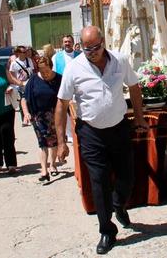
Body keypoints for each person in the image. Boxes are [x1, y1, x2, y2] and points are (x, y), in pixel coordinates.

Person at [54, 26, 149, 255]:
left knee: (127, 176)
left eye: (95, 48)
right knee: (99, 181)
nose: (92, 53)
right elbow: (62, 104)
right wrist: (60, 142)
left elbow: (134, 87)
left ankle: (119, 204)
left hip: (118, 129)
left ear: (103, 42)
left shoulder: (120, 60)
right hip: (91, 133)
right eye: (87, 49)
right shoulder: (74, 68)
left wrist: (138, 117)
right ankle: (107, 230)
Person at [22, 55, 62, 182]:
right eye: (41, 71)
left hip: (54, 115)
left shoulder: (59, 79)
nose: (44, 74)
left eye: (47, 71)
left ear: (51, 67)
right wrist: (26, 113)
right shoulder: (33, 79)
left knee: (53, 142)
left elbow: (65, 98)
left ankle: (53, 165)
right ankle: (44, 171)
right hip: (38, 116)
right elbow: (24, 98)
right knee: (43, 143)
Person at [53, 34, 81, 142]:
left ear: (73, 43)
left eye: (69, 41)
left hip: (78, 87)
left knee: (77, 110)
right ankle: (69, 134)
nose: (67, 43)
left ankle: (78, 131)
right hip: (63, 87)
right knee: (66, 111)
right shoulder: (56, 57)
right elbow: (54, 72)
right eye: (65, 42)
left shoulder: (80, 55)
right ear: (62, 43)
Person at [7, 45, 33, 125]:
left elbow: (32, 71)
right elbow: (11, 75)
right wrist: (19, 83)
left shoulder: (29, 60)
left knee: (29, 101)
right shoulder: (14, 63)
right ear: (18, 53)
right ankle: (24, 119)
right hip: (20, 85)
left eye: (26, 52)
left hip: (29, 84)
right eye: (23, 52)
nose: (25, 53)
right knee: (22, 101)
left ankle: (29, 117)